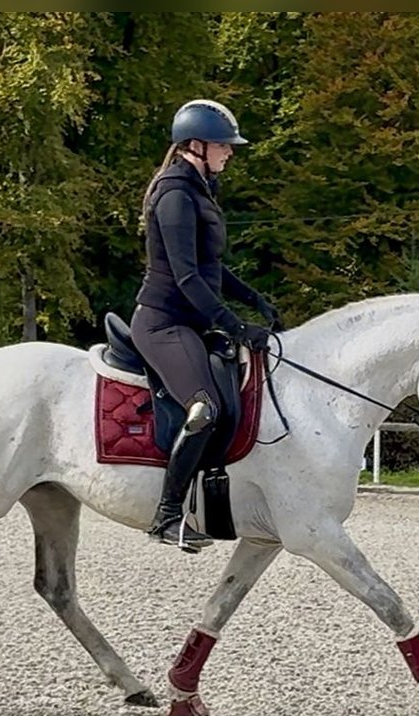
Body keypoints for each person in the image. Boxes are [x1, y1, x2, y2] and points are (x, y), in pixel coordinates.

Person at [130, 98, 282, 552]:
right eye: (223, 146)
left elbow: (211, 267)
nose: (230, 153)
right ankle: (168, 516)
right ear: (195, 145)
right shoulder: (175, 194)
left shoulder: (199, 189)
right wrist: (236, 326)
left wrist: (253, 299)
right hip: (163, 323)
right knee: (204, 408)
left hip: (191, 321)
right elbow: (186, 277)